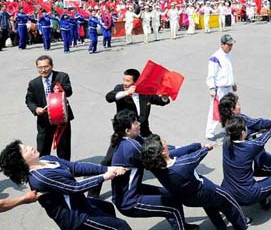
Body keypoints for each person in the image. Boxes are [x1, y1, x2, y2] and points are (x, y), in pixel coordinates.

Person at [0, 140, 130, 230]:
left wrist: (107, 168)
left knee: (107, 208)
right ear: (21, 161)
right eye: (25, 150)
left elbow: (75, 167)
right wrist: (105, 176)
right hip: (76, 218)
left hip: (81, 205)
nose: (30, 147)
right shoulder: (40, 178)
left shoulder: (47, 159)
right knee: (121, 226)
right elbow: (74, 188)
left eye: (26, 145)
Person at [87, 68, 170, 198]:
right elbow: (109, 97)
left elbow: (161, 101)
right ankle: (92, 194)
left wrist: (164, 97)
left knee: (161, 155)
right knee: (106, 162)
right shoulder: (120, 89)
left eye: (128, 81)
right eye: (124, 79)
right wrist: (126, 92)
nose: (124, 82)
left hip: (143, 132)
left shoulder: (145, 91)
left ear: (136, 82)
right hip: (123, 135)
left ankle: (173, 186)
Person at [110, 110, 198, 230]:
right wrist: (193, 148)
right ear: (127, 130)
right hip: (129, 201)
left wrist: (180, 148)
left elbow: (158, 147)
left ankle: (181, 225)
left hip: (134, 190)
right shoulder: (131, 147)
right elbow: (161, 155)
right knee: (173, 207)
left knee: (171, 194)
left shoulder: (131, 139)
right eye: (135, 122)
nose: (139, 123)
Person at [141, 134, 250, 230]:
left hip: (189, 198)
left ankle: (221, 227)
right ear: (163, 151)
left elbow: (180, 151)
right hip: (205, 190)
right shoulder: (181, 166)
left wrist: (197, 145)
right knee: (228, 200)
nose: (165, 142)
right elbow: (196, 156)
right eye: (163, 142)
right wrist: (205, 148)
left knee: (209, 206)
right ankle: (242, 224)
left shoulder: (155, 165)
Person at [218, 93, 271, 203]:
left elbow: (255, 126)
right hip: (257, 161)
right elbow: (258, 124)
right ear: (233, 109)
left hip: (245, 165)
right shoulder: (240, 120)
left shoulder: (229, 125)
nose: (240, 105)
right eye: (238, 104)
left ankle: (264, 198)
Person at [222, 116, 271, 213]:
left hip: (230, 191)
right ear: (242, 133)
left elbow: (254, 138)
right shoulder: (249, 147)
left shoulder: (225, 143)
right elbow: (261, 141)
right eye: (246, 128)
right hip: (247, 194)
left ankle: (264, 201)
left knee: (243, 179)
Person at [25, 55, 74, 160]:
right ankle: (44, 170)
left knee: (64, 149)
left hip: (61, 118)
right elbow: (29, 100)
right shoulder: (34, 83)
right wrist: (36, 109)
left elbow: (69, 90)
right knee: (42, 149)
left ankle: (65, 170)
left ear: (51, 66)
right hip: (44, 119)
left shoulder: (62, 76)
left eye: (46, 67)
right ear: (37, 68)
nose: (43, 70)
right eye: (40, 67)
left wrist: (61, 89)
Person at [205, 34, 237, 140]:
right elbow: (211, 75)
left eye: (231, 45)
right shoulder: (215, 57)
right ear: (222, 44)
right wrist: (212, 88)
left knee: (228, 109)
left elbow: (229, 71)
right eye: (228, 45)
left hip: (228, 87)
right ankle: (209, 132)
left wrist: (233, 83)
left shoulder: (229, 55)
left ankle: (225, 128)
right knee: (215, 110)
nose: (230, 47)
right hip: (220, 88)